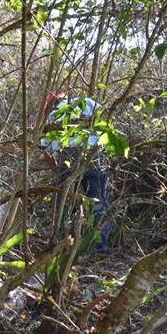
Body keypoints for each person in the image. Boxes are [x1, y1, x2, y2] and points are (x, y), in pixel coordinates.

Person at [40, 91, 109, 253]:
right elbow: (105, 123)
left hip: (70, 156)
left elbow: (49, 146)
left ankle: (58, 241)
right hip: (96, 155)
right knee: (98, 201)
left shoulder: (55, 113)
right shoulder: (89, 102)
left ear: (51, 104)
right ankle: (99, 245)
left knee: (62, 199)